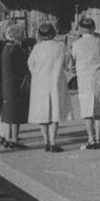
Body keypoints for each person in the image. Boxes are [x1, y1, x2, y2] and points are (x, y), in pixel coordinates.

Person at [69, 18, 100, 150]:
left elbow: (71, 63)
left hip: (85, 78)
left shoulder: (76, 44)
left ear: (81, 28)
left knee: (87, 109)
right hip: (99, 77)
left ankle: (91, 139)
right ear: (93, 28)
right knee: (99, 108)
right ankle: (99, 138)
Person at [28, 22, 70, 152]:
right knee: (54, 112)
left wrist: (37, 74)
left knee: (43, 113)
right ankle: (53, 141)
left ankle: (45, 141)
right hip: (55, 82)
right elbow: (66, 62)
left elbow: (30, 64)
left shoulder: (36, 48)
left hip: (40, 84)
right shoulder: (60, 46)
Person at [1, 23, 30, 149]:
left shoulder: (6, 48)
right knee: (16, 113)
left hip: (7, 82)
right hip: (16, 84)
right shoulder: (16, 50)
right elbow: (22, 68)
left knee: (8, 111)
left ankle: (7, 138)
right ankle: (14, 139)